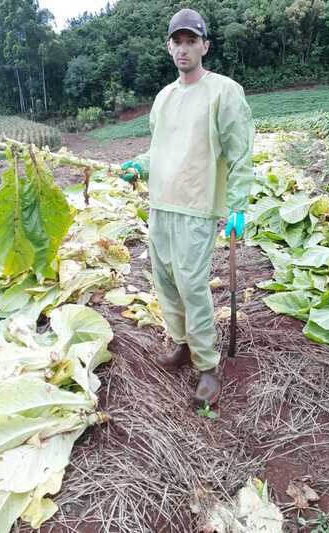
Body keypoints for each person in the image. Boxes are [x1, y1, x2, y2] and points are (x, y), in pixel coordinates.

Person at [119, 8, 255, 406]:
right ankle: (180, 344)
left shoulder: (223, 91)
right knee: (164, 280)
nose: (183, 48)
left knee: (193, 286)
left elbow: (239, 152)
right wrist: (138, 168)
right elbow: (159, 149)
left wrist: (237, 206)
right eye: (177, 41)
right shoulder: (163, 97)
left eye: (191, 40)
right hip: (161, 205)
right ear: (168, 46)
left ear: (204, 46)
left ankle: (208, 366)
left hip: (197, 207)